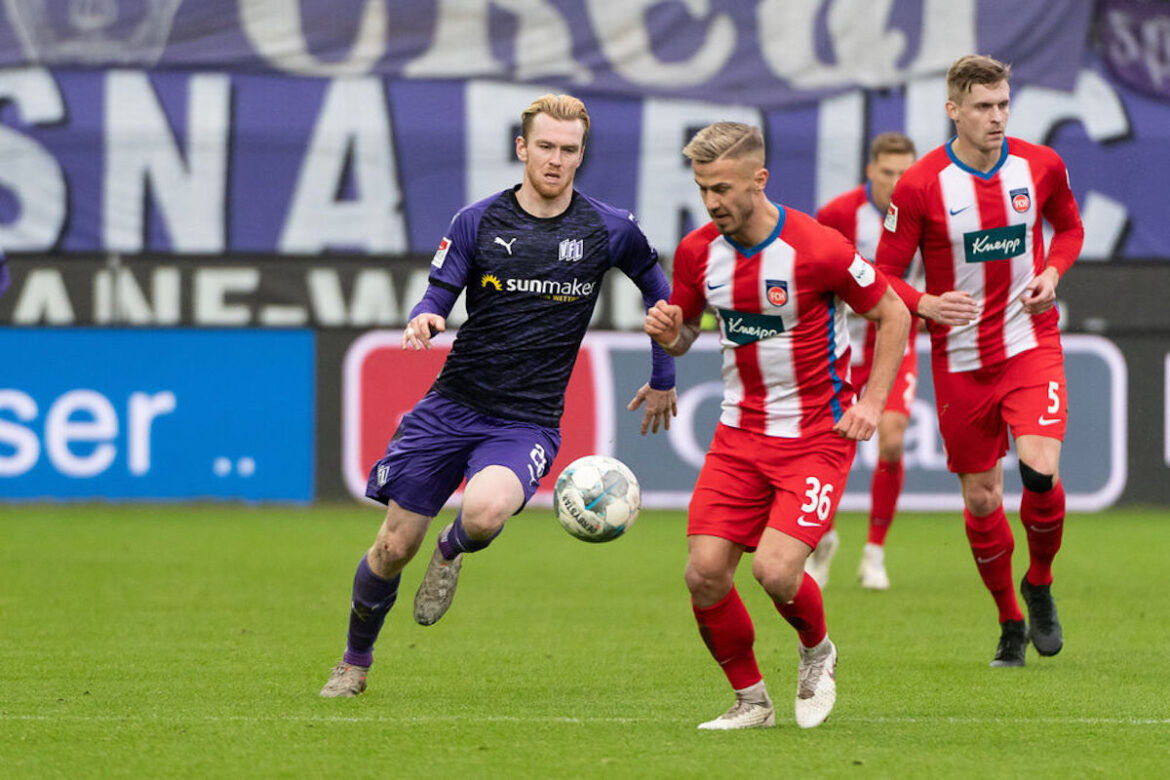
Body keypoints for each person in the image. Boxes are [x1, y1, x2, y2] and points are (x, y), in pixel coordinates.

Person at [321, 94, 679, 698]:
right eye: (545, 146)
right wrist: (425, 316)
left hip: (526, 421)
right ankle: (354, 662)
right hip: (450, 407)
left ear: (581, 155)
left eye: (569, 150)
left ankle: (451, 548)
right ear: (522, 148)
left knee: (484, 515)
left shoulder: (609, 228)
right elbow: (438, 292)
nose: (556, 160)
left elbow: (662, 298)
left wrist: (663, 374)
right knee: (391, 547)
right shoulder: (477, 220)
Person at [645, 122, 910, 729]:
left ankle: (817, 651)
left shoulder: (818, 248)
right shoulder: (696, 252)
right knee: (704, 574)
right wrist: (671, 335)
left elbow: (893, 312)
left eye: (722, 188)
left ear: (759, 180)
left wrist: (872, 403)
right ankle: (752, 701)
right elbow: (686, 334)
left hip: (816, 437)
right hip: (738, 436)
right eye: (702, 188)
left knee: (775, 570)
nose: (711, 202)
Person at [875, 55, 1084, 667]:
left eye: (1003, 104)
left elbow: (1069, 230)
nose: (997, 117)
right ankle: (1009, 619)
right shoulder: (920, 185)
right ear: (953, 111)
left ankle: (1039, 582)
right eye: (983, 106)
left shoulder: (1040, 165)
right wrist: (924, 302)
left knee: (1040, 470)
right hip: (961, 359)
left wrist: (1052, 272)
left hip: (1029, 343)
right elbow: (884, 275)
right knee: (984, 499)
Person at [811, 132, 922, 591]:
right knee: (824, 446)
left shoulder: (927, 212)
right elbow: (813, 271)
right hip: (840, 347)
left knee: (891, 441)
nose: (896, 182)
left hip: (894, 345)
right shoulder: (838, 214)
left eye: (905, 173)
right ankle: (823, 538)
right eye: (888, 172)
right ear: (870, 171)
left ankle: (874, 552)